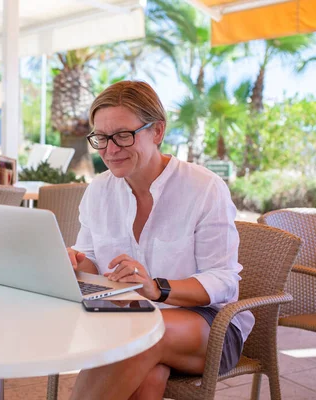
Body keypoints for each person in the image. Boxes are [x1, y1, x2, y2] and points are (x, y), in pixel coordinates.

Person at [67, 81, 254, 400]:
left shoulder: (203, 188)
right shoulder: (99, 190)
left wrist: (157, 288)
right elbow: (91, 260)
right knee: (148, 375)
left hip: (210, 323)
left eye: (123, 135)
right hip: (130, 317)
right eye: (101, 138)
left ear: (157, 131)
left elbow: (224, 282)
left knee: (138, 337)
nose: (110, 150)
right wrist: (75, 262)